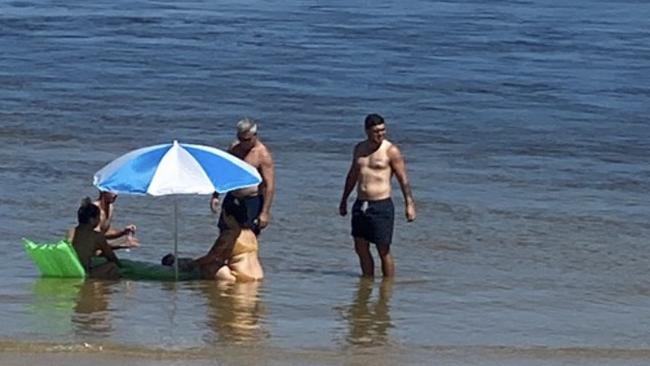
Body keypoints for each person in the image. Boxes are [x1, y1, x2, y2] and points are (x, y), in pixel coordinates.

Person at [339, 113, 416, 277]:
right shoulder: (359, 149)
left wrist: (409, 204)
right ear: (367, 131)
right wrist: (344, 199)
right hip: (361, 203)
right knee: (360, 246)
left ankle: (387, 287)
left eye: (383, 130)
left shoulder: (391, 151)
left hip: (381, 205)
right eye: (376, 131)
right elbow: (352, 175)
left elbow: (403, 179)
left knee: (383, 249)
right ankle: (367, 282)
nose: (380, 134)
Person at [210, 118, 275, 235]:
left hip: (251, 201)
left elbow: (268, 185)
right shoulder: (234, 148)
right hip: (232, 197)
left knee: (247, 238)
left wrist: (265, 212)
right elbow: (224, 171)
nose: (243, 143)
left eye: (247, 140)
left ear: (255, 136)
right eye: (240, 139)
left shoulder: (262, 155)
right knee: (224, 235)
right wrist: (215, 195)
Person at [66, 190, 139, 249]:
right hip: (83, 249)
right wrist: (121, 244)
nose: (115, 194)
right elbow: (93, 242)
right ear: (102, 191)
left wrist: (123, 232)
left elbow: (104, 233)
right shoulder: (94, 210)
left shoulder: (110, 208)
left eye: (116, 191)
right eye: (112, 191)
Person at [71, 197, 121, 279]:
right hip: (84, 273)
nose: (99, 220)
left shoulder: (71, 232)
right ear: (92, 220)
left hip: (71, 270)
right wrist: (122, 267)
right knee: (113, 267)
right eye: (98, 217)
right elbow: (111, 256)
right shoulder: (97, 236)